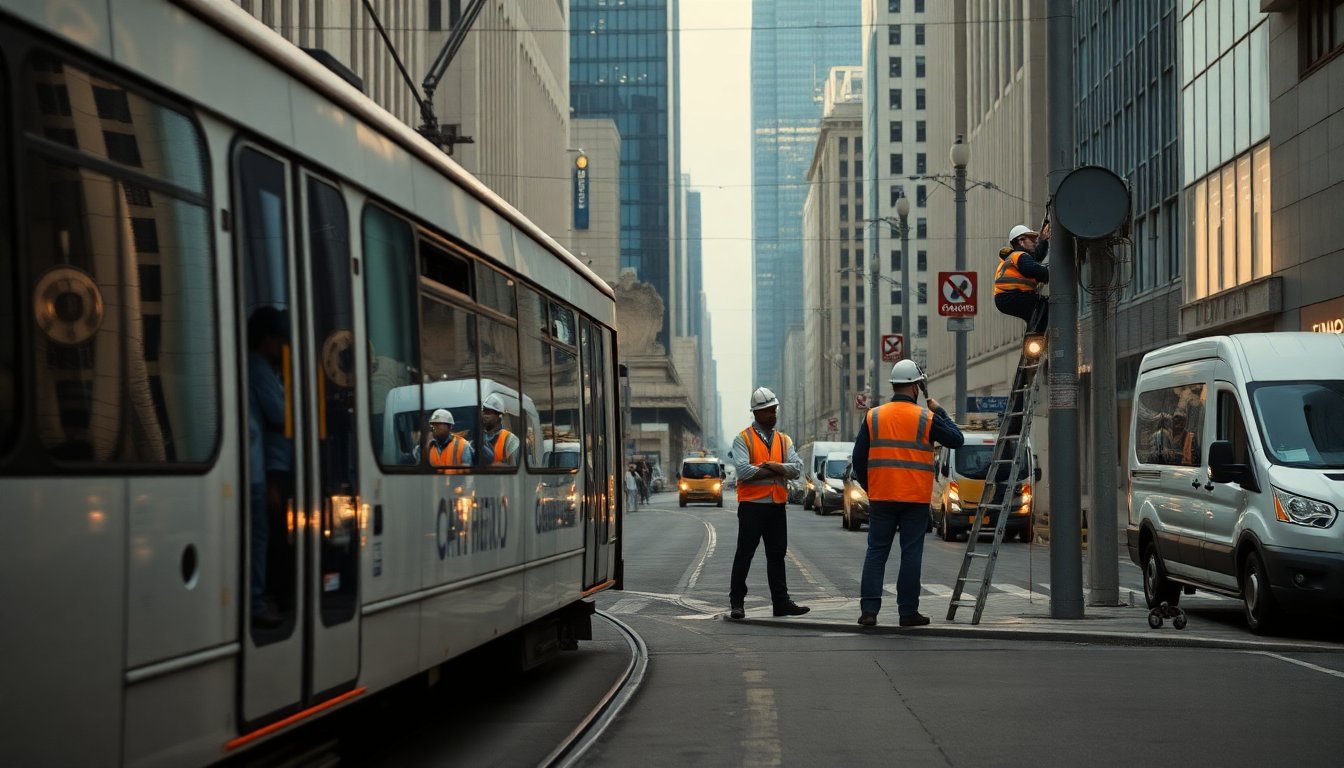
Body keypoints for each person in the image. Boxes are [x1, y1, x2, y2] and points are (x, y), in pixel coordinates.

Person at [854, 359, 964, 627]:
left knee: (876, 552)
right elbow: (957, 439)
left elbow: (858, 459)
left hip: (882, 497)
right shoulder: (926, 418)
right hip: (913, 499)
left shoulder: (874, 416)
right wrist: (941, 412)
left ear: (894, 385)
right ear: (916, 387)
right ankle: (907, 612)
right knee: (911, 554)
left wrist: (872, 487)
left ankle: (869, 611)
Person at [728, 386, 809, 619]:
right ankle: (737, 603)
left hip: (776, 506)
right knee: (744, 554)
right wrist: (779, 470)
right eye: (768, 411)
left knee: (777, 555)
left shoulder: (784, 440)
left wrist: (770, 467)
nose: (773, 415)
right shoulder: (742, 438)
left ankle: (781, 602)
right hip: (752, 506)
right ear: (756, 413)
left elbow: (797, 469)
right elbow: (743, 471)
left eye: (774, 410)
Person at [247, 306, 291, 629]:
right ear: (268, 339)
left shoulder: (257, 367)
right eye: (279, 340)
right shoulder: (258, 367)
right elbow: (279, 414)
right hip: (256, 468)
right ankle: (257, 602)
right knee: (260, 538)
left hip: (258, 463)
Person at [994, 222, 1051, 334]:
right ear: (1021, 241)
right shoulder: (1019, 256)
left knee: (1033, 314)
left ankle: (1033, 335)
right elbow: (1031, 269)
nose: (1034, 242)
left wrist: (1043, 240)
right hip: (1012, 296)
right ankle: (1037, 336)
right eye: (1031, 239)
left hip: (1006, 298)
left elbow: (1036, 257)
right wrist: (1049, 274)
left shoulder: (1018, 257)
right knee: (1042, 305)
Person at [480, 392, 520, 466]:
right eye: (484, 412)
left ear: (499, 416)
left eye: (489, 412)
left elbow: (515, 471)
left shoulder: (510, 440)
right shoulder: (479, 438)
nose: (485, 416)